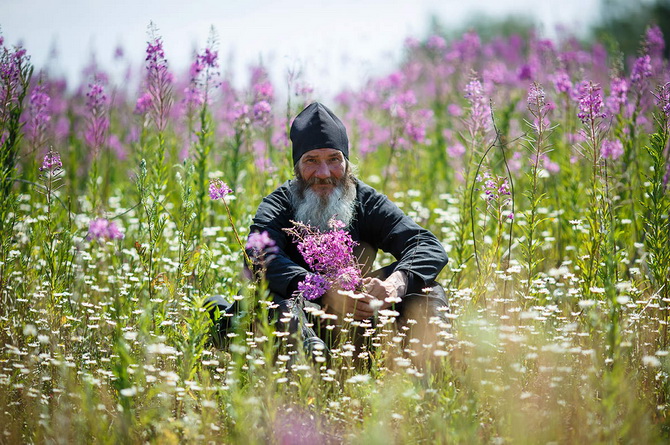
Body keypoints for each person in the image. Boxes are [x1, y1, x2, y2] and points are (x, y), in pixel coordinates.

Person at [242, 102, 450, 363]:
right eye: (311, 161)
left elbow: (425, 245)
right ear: (297, 166)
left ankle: (434, 370)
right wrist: (323, 289)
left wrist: (394, 284)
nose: (324, 173)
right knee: (280, 305)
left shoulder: (364, 199)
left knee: (426, 288)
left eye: (333, 160)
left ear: (347, 162)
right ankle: (313, 374)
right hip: (305, 315)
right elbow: (259, 254)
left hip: (360, 314)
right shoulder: (279, 203)